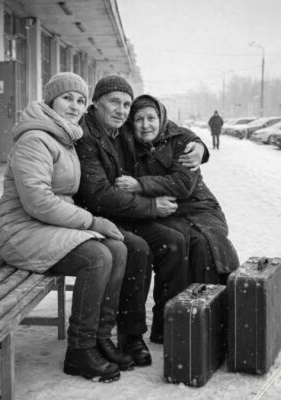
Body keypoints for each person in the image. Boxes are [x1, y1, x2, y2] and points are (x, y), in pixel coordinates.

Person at [0, 72, 133, 383]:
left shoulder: (64, 137)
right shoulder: (35, 139)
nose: (74, 105)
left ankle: (100, 337)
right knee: (97, 257)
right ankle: (80, 350)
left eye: (80, 100)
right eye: (67, 98)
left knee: (118, 248)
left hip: (45, 227)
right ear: (51, 101)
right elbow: (38, 201)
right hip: (19, 231)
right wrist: (92, 221)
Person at [75, 75, 208, 349]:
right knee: (138, 249)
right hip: (97, 217)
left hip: (123, 212)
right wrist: (152, 207)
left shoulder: (121, 130)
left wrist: (198, 145)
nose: (121, 110)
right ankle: (131, 334)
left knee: (174, 242)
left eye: (126, 104)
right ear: (96, 103)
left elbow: (168, 130)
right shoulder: (87, 136)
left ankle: (166, 323)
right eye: (114, 102)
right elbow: (98, 195)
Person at [116, 95, 239, 292]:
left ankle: (212, 301)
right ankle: (176, 304)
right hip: (165, 211)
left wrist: (140, 185)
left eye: (151, 118)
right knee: (178, 245)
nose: (145, 125)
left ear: (161, 118)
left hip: (200, 206)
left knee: (208, 245)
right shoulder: (126, 143)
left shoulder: (182, 139)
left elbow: (182, 184)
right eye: (139, 119)